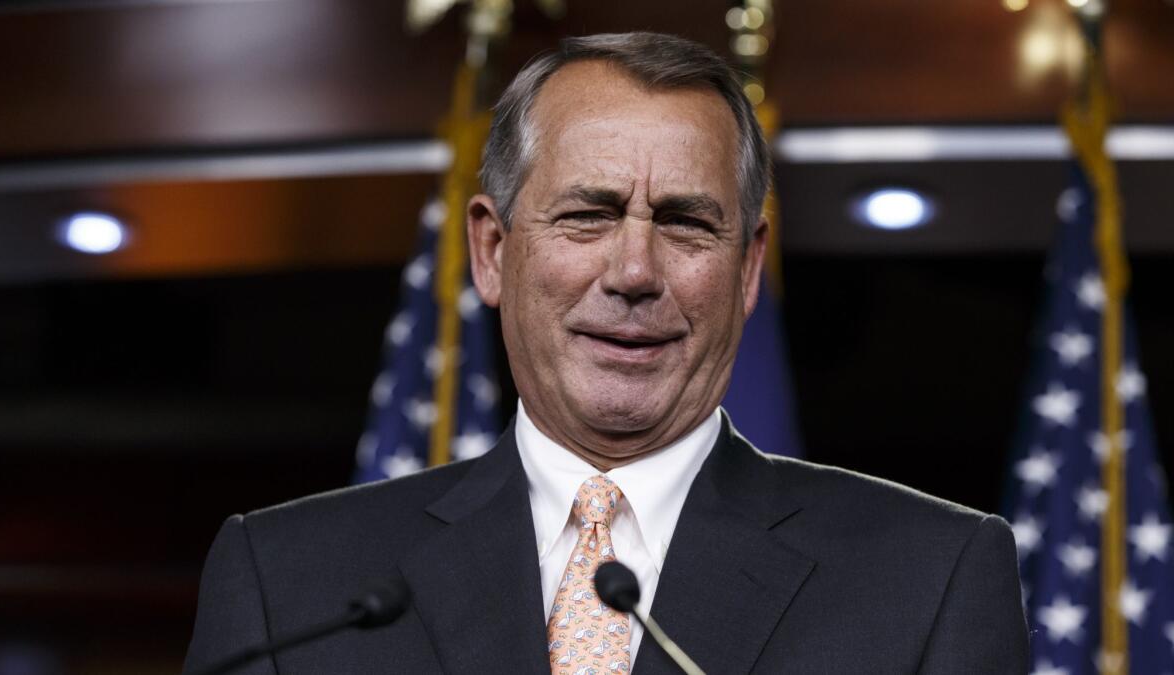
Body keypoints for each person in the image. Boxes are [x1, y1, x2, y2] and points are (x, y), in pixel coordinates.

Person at [184, 32, 1029, 674]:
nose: (633, 271)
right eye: (587, 214)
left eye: (686, 222)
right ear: (491, 250)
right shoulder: (290, 584)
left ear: (748, 270)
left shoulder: (932, 578)